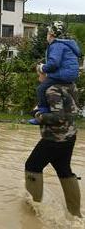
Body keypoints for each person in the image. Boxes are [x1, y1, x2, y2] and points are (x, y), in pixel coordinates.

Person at [25, 71, 82, 218]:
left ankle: (34, 209)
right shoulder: (70, 85)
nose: (39, 77)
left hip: (54, 138)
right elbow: (71, 110)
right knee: (64, 170)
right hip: (69, 136)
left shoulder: (52, 90)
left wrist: (38, 114)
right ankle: (75, 214)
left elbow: (58, 117)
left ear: (48, 75)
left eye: (40, 74)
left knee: (32, 166)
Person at [29, 21, 81, 125]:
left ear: (51, 34)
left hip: (63, 75)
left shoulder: (56, 45)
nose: (46, 36)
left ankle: (43, 110)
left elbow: (54, 64)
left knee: (41, 89)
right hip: (71, 76)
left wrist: (42, 68)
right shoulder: (66, 45)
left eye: (47, 33)